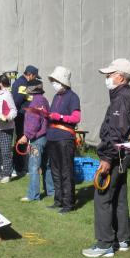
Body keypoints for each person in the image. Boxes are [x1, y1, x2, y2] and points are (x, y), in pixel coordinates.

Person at [82, 59, 130, 258]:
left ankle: (105, 243)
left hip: (115, 156)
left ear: (121, 77)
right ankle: (122, 238)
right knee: (119, 197)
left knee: (103, 197)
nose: (106, 79)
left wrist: (106, 158)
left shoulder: (121, 98)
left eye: (110, 75)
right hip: (122, 155)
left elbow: (117, 131)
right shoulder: (123, 96)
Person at [46, 66, 81, 214]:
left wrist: (59, 117)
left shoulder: (73, 97)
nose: (53, 83)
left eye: (55, 80)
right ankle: (58, 200)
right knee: (55, 170)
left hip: (65, 139)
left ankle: (68, 203)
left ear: (62, 81)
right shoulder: (55, 97)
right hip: (52, 137)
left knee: (66, 171)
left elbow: (76, 118)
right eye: (52, 80)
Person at [16, 79, 54, 201]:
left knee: (33, 167)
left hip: (37, 139)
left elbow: (34, 123)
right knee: (47, 165)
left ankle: (33, 195)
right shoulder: (44, 100)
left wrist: (26, 136)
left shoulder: (35, 103)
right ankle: (51, 191)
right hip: (46, 137)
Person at [12, 65, 40, 176]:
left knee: (22, 141)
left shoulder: (20, 82)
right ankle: (19, 167)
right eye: (35, 76)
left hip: (23, 116)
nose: (35, 79)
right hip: (22, 116)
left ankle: (21, 167)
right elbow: (17, 101)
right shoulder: (22, 84)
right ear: (30, 74)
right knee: (21, 141)